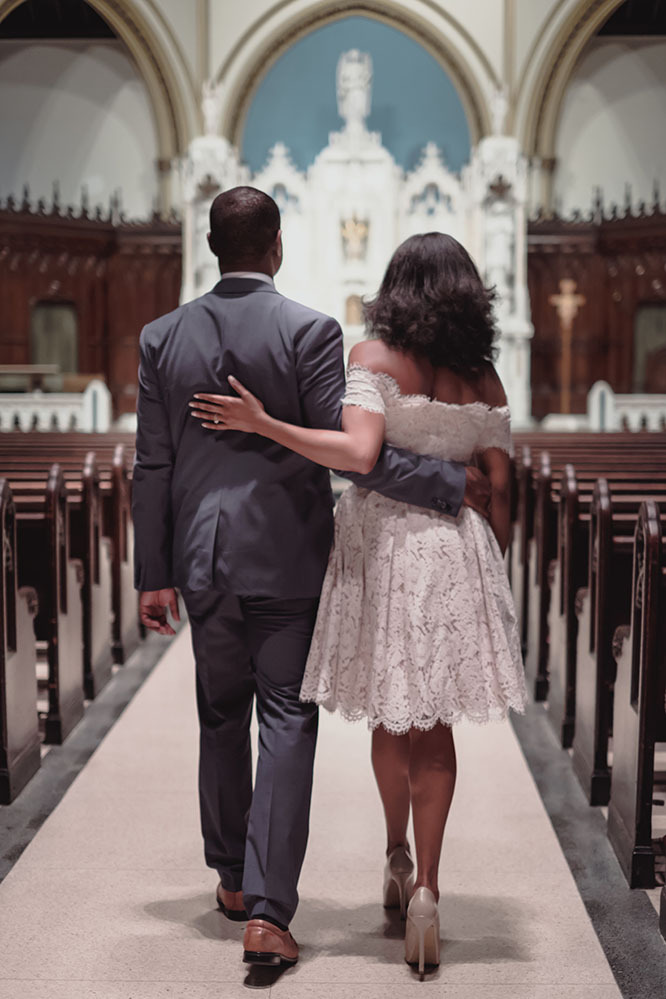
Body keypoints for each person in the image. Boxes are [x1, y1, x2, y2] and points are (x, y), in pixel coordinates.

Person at [132, 189, 491, 970]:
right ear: (278, 246)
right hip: (288, 554)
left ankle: (230, 876)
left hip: (199, 556)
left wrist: (152, 574)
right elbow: (346, 446)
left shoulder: (161, 337)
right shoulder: (309, 329)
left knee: (218, 712)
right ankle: (267, 911)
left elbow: (151, 464)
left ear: (209, 244)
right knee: (286, 719)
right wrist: (446, 483)